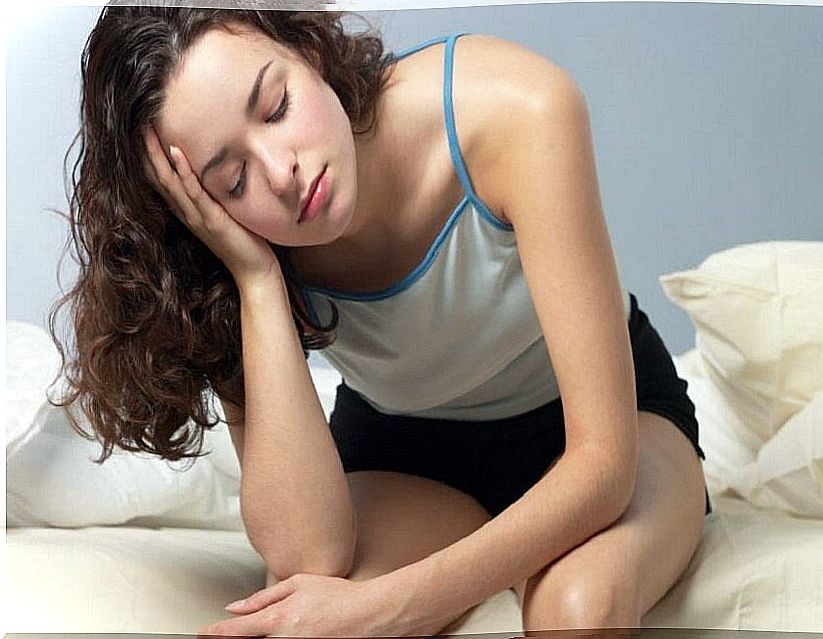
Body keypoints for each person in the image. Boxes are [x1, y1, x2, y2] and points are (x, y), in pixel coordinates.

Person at [52, 4, 711, 637]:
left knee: (578, 608)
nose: (283, 174)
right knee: (302, 611)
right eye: (231, 180)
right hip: (408, 450)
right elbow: (306, 550)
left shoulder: (516, 109)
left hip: (594, 422)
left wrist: (394, 605)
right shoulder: (236, 252)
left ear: (307, 49)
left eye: (277, 107)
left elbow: (602, 468)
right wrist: (254, 281)